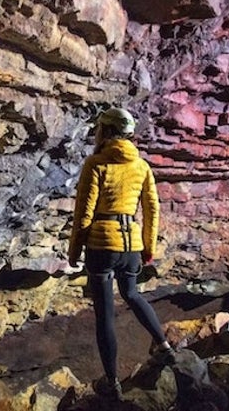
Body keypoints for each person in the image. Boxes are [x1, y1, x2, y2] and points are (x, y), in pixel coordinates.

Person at [68, 107, 175, 401]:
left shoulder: (97, 163)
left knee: (105, 313)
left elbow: (84, 211)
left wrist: (75, 248)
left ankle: (111, 381)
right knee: (133, 294)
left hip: (102, 244)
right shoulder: (141, 166)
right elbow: (152, 209)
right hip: (131, 247)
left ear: (105, 131)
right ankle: (164, 347)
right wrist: (149, 247)